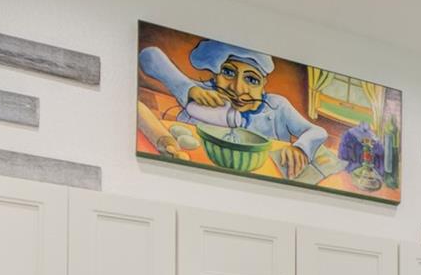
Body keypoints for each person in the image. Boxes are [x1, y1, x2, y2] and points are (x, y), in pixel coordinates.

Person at [139, 41, 327, 177]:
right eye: (228, 72)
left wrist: (302, 149)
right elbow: (149, 56)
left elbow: (317, 131)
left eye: (251, 80)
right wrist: (188, 89)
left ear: (263, 84)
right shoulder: (203, 94)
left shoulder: (277, 107)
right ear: (215, 73)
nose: (237, 89)